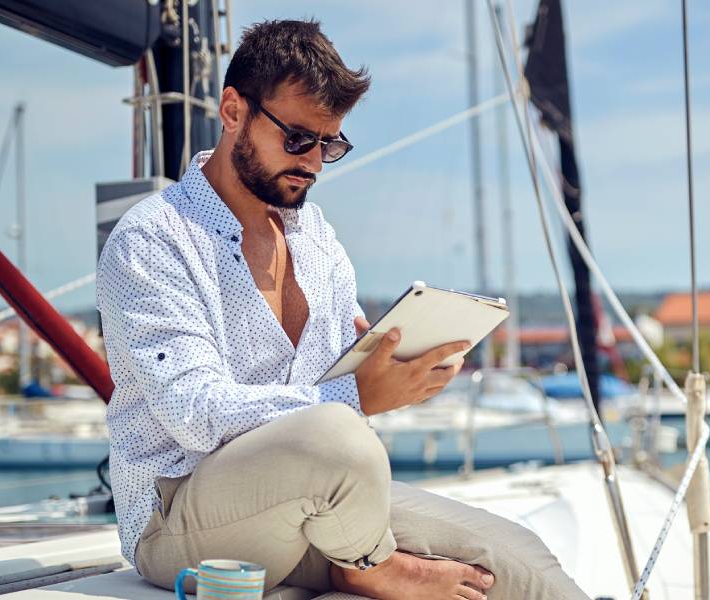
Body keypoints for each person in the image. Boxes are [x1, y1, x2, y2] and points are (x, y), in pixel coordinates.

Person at [97, 19, 587, 600]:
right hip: (179, 516)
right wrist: (358, 397)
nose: (315, 163)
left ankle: (356, 557)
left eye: (330, 144)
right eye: (299, 138)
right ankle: (369, 565)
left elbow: (339, 383)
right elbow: (195, 413)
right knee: (335, 435)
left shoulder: (316, 238)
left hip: (310, 500)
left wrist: (396, 367)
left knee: (515, 556)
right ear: (233, 111)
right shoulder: (152, 238)